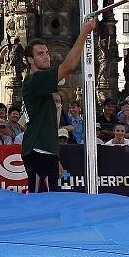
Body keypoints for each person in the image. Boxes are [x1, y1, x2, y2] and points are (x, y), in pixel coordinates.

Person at [21, 19, 96, 193]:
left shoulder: (39, 82)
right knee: (42, 201)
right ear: (30, 60)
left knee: (50, 200)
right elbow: (68, 66)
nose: (46, 56)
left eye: (46, 52)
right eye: (40, 54)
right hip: (38, 150)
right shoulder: (36, 81)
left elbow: (46, 123)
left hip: (45, 151)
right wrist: (84, 32)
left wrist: (55, 156)